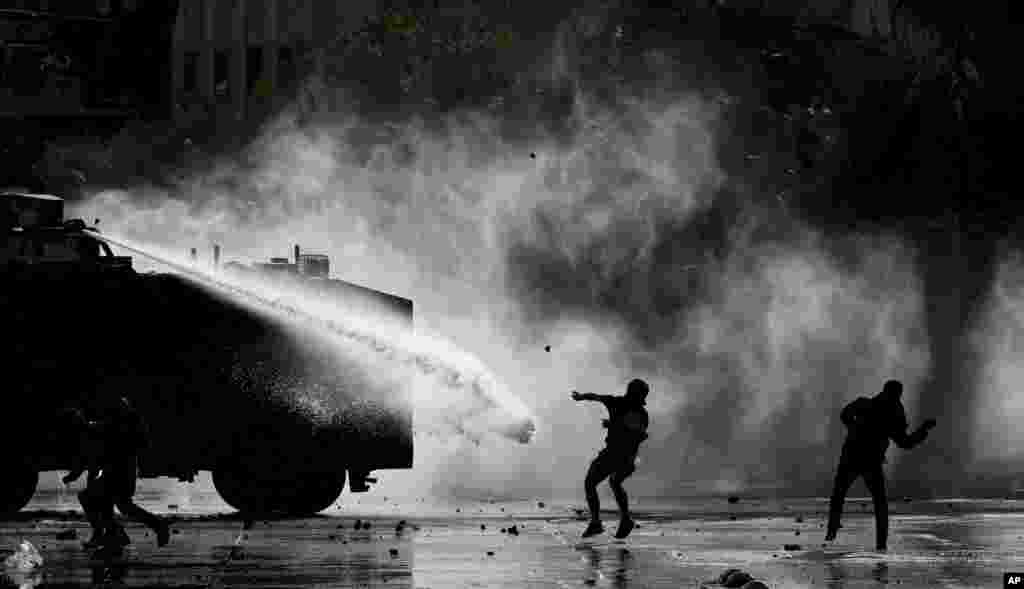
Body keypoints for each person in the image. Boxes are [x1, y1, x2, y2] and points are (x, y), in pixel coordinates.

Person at [825, 380, 937, 551]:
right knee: (877, 503)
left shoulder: (869, 405)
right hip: (866, 460)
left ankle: (833, 530)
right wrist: (923, 430)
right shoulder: (890, 413)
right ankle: (878, 543)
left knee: (842, 495)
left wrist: (853, 427)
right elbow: (905, 442)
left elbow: (845, 414)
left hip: (856, 457)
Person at [88, 395, 170, 553]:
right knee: (116, 503)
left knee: (109, 501)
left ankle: (117, 536)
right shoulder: (130, 418)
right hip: (122, 467)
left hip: (119, 468)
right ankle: (117, 536)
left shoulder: (122, 419)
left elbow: (109, 433)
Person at [571, 378, 650, 539]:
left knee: (591, 482)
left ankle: (596, 523)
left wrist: (614, 425)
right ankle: (625, 519)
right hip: (628, 458)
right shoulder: (631, 408)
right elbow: (597, 397)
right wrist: (581, 397)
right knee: (614, 482)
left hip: (616, 454)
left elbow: (637, 434)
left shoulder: (628, 408)